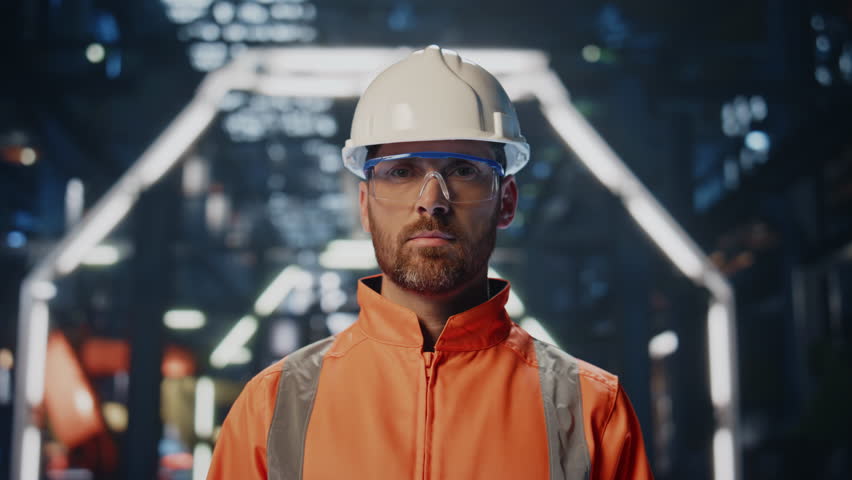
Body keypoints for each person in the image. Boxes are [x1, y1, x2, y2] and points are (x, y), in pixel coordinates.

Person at [208, 45, 653, 480]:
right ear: (365, 205)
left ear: (506, 202)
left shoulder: (591, 410)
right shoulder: (271, 409)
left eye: (463, 170)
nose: (432, 201)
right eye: (401, 172)